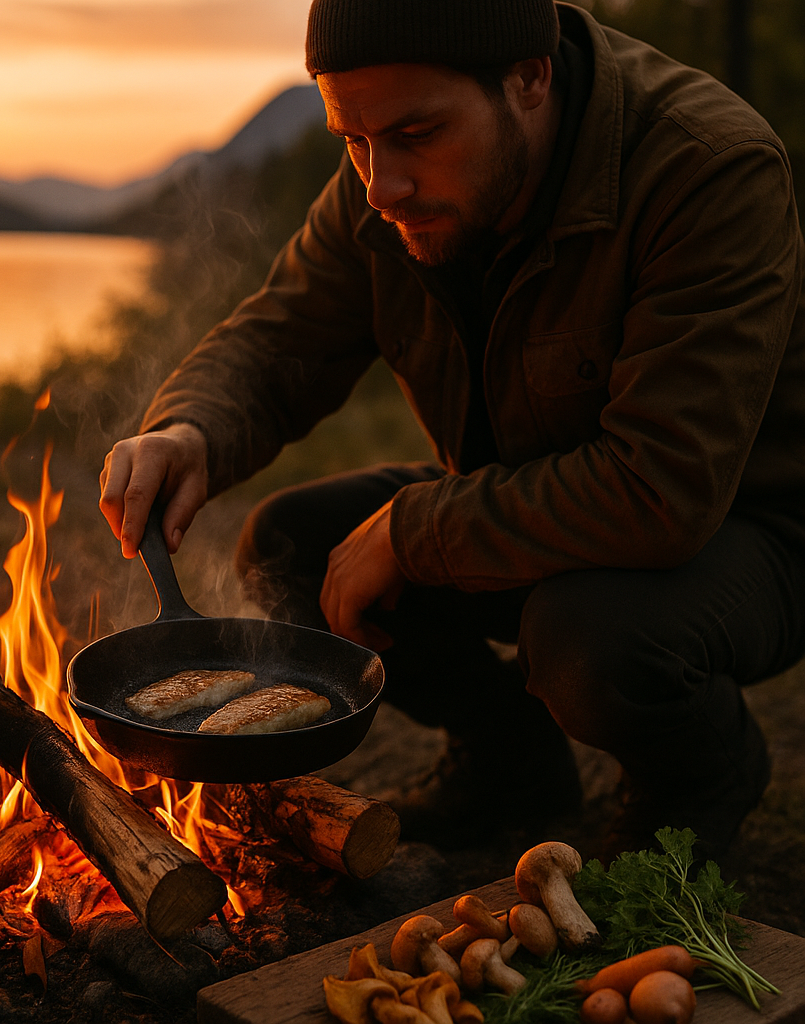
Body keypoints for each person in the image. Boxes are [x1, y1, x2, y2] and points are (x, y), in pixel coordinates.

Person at [99, 0, 805, 860]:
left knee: (587, 636)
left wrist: (417, 530)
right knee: (293, 543)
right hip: (535, 505)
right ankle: (511, 764)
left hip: (745, 532)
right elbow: (282, 337)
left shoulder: (707, 170)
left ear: (530, 78)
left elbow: (663, 488)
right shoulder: (386, 180)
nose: (380, 186)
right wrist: (189, 431)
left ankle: (699, 779)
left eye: (416, 134)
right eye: (353, 141)